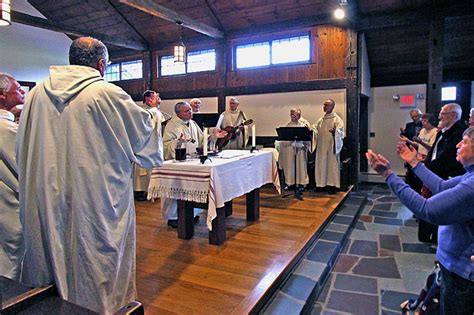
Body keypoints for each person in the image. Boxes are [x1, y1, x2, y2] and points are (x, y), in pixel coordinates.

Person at [16, 37, 164, 314]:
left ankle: (52, 307)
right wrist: (154, 112)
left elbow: (23, 142)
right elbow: (142, 135)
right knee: (94, 251)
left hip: (45, 191)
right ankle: (101, 307)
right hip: (95, 194)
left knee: (52, 247)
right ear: (100, 64)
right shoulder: (106, 93)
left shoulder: (36, 93)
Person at [366, 127, 474, 315]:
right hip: (452, 264)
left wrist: (388, 175)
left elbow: (427, 209)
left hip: (462, 272)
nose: (457, 145)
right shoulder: (469, 175)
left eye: (464, 142)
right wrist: (415, 163)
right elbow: (441, 186)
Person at [161, 101, 226, 227]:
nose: (190, 112)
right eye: (187, 111)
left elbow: (202, 140)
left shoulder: (193, 123)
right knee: (177, 191)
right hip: (178, 164)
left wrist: (213, 136)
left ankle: (192, 213)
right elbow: (166, 145)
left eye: (190, 110)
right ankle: (174, 217)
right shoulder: (172, 125)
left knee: (191, 188)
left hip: (192, 162)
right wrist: (178, 143)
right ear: (178, 113)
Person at [0, 73, 25, 280]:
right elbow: (27, 167)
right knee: (12, 257)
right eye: (17, 89)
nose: (22, 92)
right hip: (11, 202)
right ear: (2, 96)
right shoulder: (8, 130)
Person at [133, 89, 170, 201]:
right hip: (144, 146)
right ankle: (140, 191)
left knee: (152, 168)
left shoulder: (155, 111)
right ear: (148, 100)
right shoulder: (142, 111)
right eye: (156, 97)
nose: (159, 99)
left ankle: (153, 189)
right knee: (143, 170)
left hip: (154, 144)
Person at [314, 99, 345, 194]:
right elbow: (315, 129)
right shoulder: (321, 120)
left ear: (332, 106)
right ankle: (321, 184)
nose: (324, 107)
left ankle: (332, 186)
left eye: (327, 105)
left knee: (331, 166)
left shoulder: (337, 119)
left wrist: (335, 132)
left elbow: (341, 133)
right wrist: (312, 130)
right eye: (324, 105)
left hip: (332, 147)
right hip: (321, 148)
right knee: (321, 165)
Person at [278, 108, 313, 191]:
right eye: (291, 115)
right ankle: (290, 183)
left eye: (295, 115)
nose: (293, 116)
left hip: (300, 149)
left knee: (300, 165)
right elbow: (284, 138)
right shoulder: (288, 125)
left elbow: (309, 136)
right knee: (289, 165)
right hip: (290, 149)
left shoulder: (304, 124)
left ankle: (301, 183)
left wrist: (309, 131)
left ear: (299, 115)